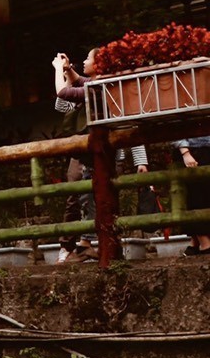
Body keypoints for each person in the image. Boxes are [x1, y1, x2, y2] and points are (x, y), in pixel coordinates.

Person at [53, 50, 149, 262]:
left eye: (88, 58)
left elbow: (61, 93)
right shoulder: (101, 83)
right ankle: (88, 245)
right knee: (87, 198)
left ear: (100, 65)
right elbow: (72, 88)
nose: (84, 61)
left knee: (93, 199)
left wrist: (58, 70)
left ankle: (94, 247)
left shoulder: (98, 87)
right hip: (92, 153)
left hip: (98, 154)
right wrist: (68, 69)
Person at [172, 136, 210, 256]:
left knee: (204, 195)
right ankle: (205, 243)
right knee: (195, 195)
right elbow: (174, 125)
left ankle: (195, 244)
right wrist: (185, 152)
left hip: (206, 147)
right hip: (192, 148)